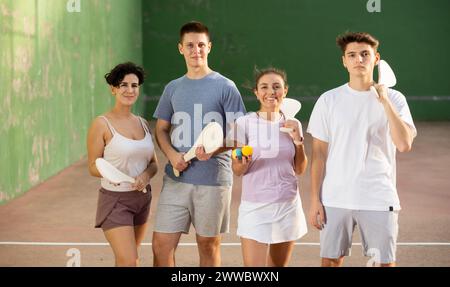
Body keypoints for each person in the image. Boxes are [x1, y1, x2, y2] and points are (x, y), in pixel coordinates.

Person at [307, 32, 417, 267]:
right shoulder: (329, 100)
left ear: (375, 58)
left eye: (365, 54)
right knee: (330, 262)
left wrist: (384, 101)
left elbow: (404, 144)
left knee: (384, 263)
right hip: (336, 197)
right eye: (352, 55)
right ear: (344, 61)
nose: (359, 60)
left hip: (378, 196)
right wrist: (314, 199)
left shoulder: (395, 99)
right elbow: (318, 155)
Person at [151, 21, 246, 267]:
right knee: (161, 246)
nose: (196, 51)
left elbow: (241, 136)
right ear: (180, 48)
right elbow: (161, 129)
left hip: (213, 181)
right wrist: (171, 155)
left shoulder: (226, 87)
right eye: (190, 45)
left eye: (201, 45)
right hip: (175, 180)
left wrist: (216, 148)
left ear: (210, 47)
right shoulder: (172, 88)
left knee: (207, 246)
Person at [230, 67, 308, 267]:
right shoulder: (244, 123)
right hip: (255, 208)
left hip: (287, 205)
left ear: (285, 91)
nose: (270, 92)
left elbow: (300, 168)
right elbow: (237, 170)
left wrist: (298, 142)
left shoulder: (293, 123)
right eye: (264, 87)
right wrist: (242, 164)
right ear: (256, 92)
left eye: (276, 87)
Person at [87, 62, 158, 266]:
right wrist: (113, 175)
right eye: (123, 85)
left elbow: (153, 163)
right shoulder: (101, 124)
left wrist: (144, 177)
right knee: (128, 260)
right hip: (115, 201)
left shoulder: (143, 123)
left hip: (142, 199)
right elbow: (93, 165)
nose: (129, 90)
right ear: (113, 89)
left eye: (134, 85)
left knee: (130, 259)